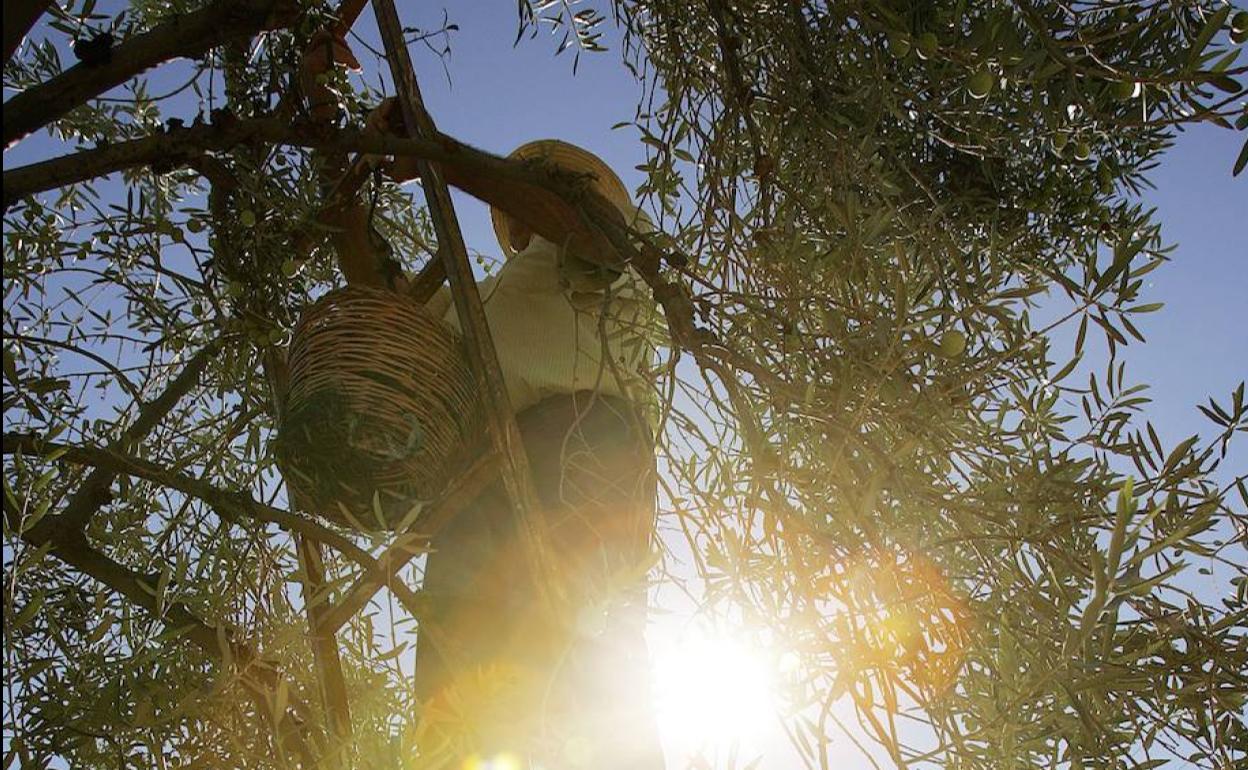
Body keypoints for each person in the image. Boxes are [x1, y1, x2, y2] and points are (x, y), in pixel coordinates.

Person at [298, 33, 666, 768]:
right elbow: (388, 310)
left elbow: (589, 226)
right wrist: (331, 136)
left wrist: (435, 150)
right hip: (482, 485)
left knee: (584, 681)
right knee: (457, 695)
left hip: (581, 446)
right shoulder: (478, 300)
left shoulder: (604, 251)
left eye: (552, 184)